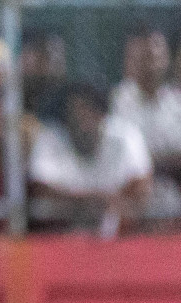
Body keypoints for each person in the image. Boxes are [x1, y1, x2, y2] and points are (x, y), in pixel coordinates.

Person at [29, 81, 151, 237]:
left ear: (102, 114)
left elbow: (141, 186)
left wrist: (109, 206)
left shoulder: (125, 136)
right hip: (63, 234)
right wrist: (92, 202)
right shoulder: (50, 138)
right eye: (75, 111)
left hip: (120, 235)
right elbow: (40, 187)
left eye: (88, 110)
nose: (82, 118)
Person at [111, 27, 181, 224]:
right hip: (131, 215)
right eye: (142, 58)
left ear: (166, 59)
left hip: (173, 212)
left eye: (155, 57)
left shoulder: (177, 103)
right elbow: (121, 163)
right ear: (128, 62)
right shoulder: (114, 103)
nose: (150, 66)